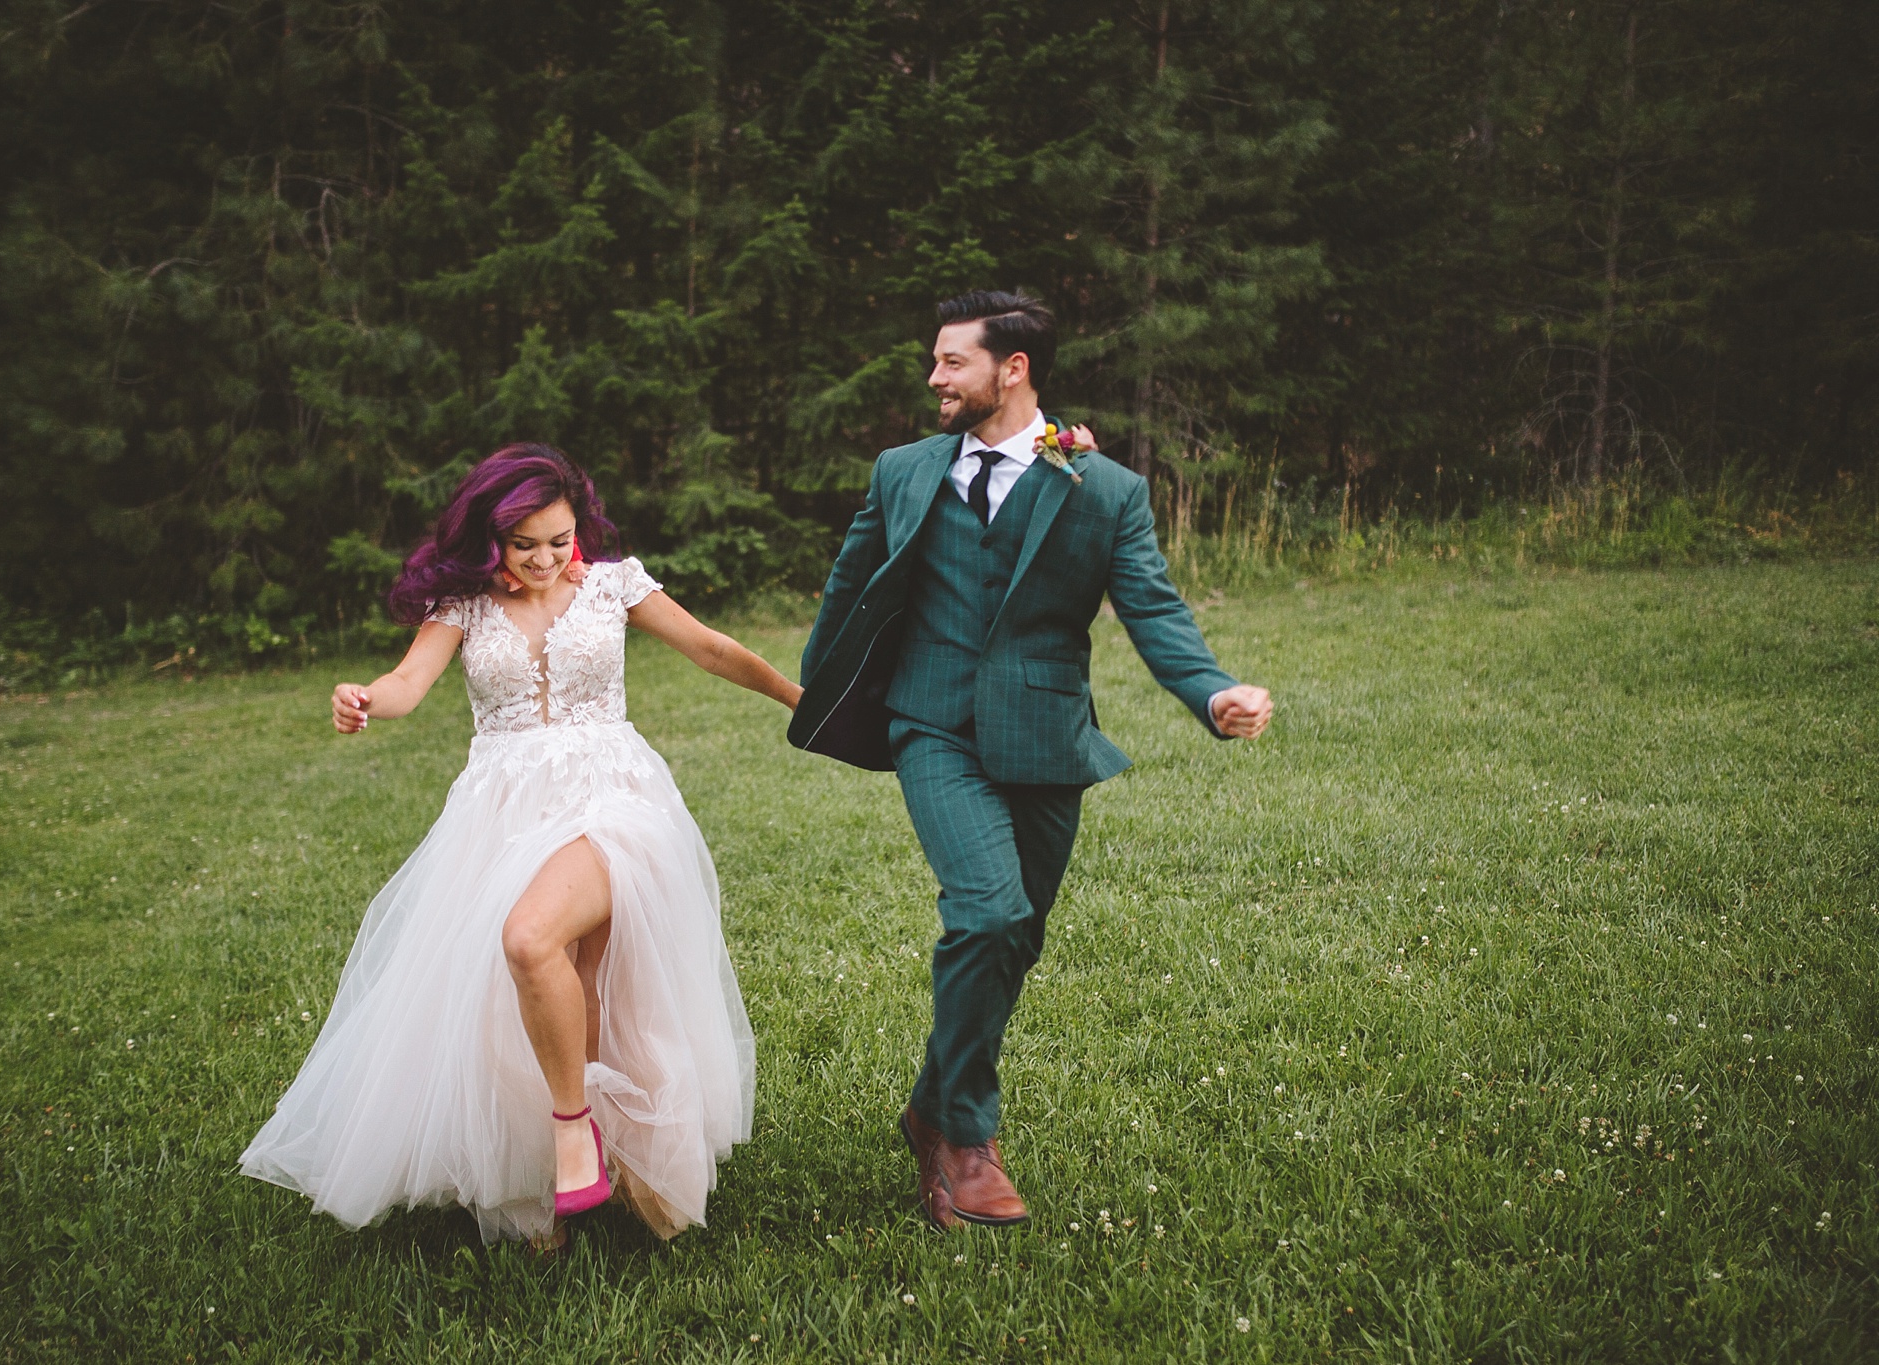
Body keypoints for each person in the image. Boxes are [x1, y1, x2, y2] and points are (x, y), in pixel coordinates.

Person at [788, 290, 1272, 1228]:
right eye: (935, 360)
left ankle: (930, 1105)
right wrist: (822, 686)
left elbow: (1152, 606)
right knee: (988, 910)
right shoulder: (903, 469)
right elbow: (853, 581)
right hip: (931, 725)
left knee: (1016, 938)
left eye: (952, 361)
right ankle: (968, 1142)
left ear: (1012, 370)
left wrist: (1211, 692)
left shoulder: (1104, 488)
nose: (934, 377)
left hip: (1048, 736)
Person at [241, 444, 800, 1245]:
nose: (544, 559)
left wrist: (798, 697)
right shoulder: (464, 605)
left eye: (559, 539)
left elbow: (710, 646)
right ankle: (549, 1169)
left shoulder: (613, 583)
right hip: (502, 810)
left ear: (581, 528)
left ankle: (577, 1132)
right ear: (491, 539)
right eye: (523, 543)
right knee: (552, 990)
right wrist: (365, 697)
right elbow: (407, 683)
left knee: (531, 938)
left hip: (612, 798)